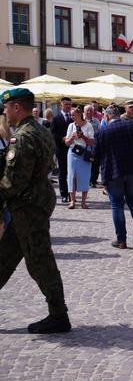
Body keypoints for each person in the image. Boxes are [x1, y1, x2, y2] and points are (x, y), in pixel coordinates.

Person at [0, 88, 71, 333]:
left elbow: (14, 181)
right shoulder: (41, 131)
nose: (5, 112)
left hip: (27, 207)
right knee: (4, 258)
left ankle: (58, 314)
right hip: (35, 202)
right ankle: (58, 313)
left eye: (7, 108)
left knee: (40, 261)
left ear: (17, 107)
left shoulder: (20, 138)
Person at [95, 104, 133, 249]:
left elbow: (96, 154)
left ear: (106, 116)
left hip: (113, 172)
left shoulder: (102, 132)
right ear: (119, 114)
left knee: (117, 205)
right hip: (132, 170)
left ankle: (121, 240)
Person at [64, 107, 94, 209]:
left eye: (73, 115)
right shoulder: (71, 126)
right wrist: (72, 137)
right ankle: (72, 201)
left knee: (85, 176)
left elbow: (91, 142)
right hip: (72, 153)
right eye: (71, 115)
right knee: (71, 176)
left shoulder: (88, 125)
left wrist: (83, 137)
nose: (72, 117)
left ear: (79, 114)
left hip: (85, 152)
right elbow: (67, 143)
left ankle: (83, 202)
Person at [51, 96, 73, 203]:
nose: (68, 106)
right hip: (61, 148)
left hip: (73, 148)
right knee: (63, 172)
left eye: (69, 104)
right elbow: (53, 134)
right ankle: (64, 194)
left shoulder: (74, 117)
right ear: (61, 105)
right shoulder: (56, 118)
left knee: (72, 173)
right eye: (66, 104)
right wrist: (62, 138)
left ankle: (71, 194)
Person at [84, 104, 101, 188]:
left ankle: (93, 180)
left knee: (95, 163)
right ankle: (85, 179)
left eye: (91, 110)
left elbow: (99, 131)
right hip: (83, 144)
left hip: (94, 144)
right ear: (84, 112)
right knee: (84, 162)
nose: (89, 112)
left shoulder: (96, 121)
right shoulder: (81, 120)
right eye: (88, 110)